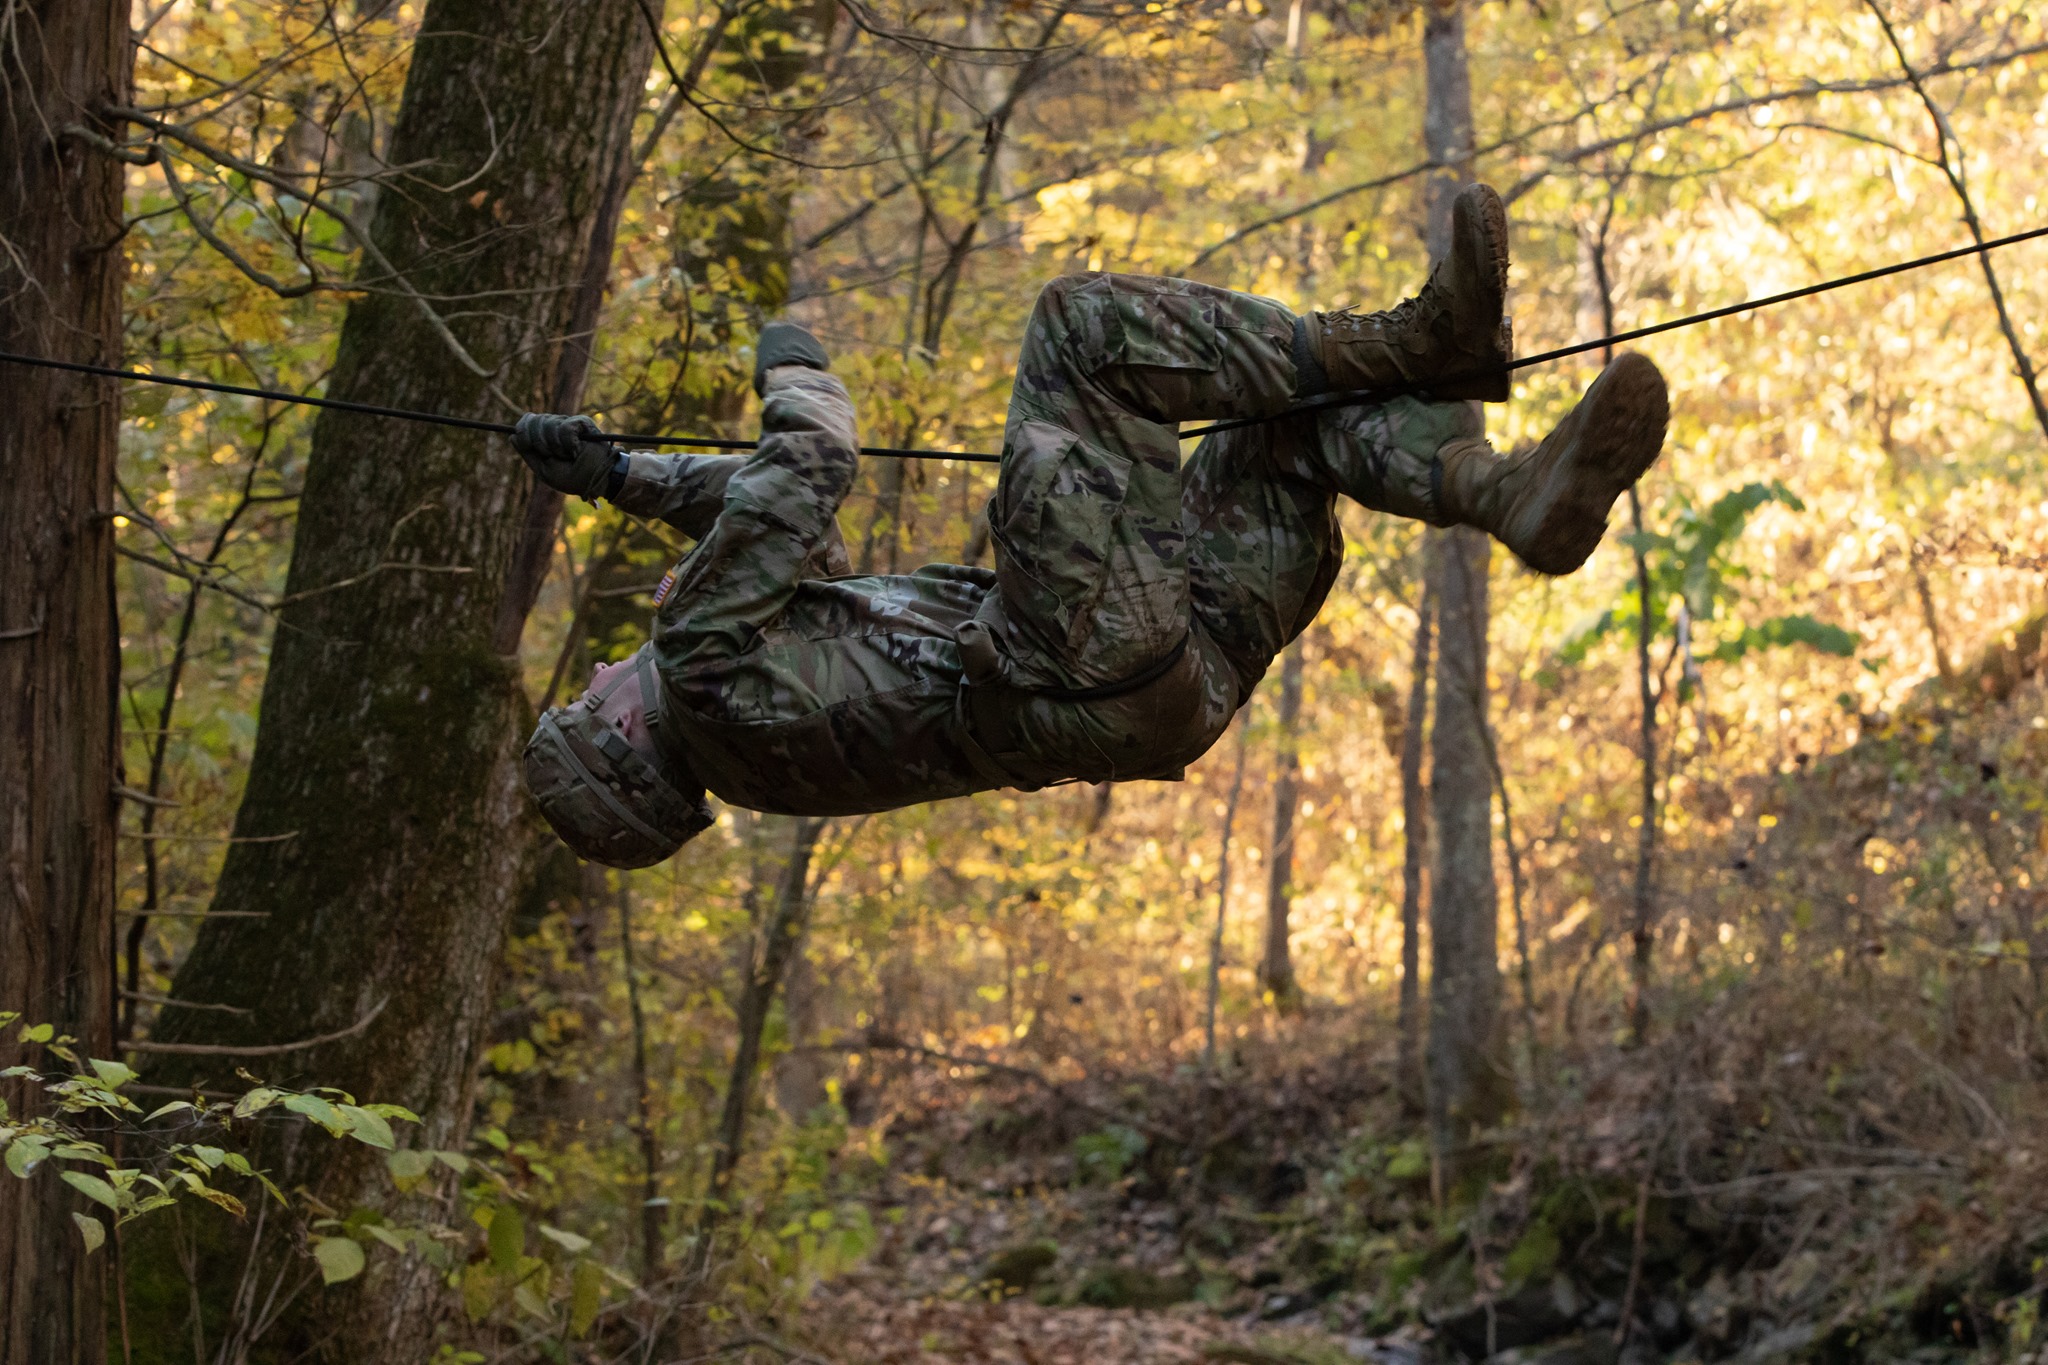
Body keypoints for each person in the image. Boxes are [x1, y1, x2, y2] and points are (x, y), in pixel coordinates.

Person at [515, 184, 1669, 868]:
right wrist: (796, 377)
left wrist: (620, 473)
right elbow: (809, 469)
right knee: (1080, 331)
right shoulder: (703, 676)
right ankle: (1427, 344)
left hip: (1168, 687)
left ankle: (1506, 494)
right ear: (620, 739)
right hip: (1072, 650)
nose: (604, 668)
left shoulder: (755, 739)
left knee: (1281, 430)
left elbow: (785, 545)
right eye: (588, 699)